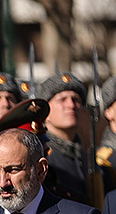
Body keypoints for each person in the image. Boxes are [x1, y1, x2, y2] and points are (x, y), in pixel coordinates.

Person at [35, 73, 95, 204]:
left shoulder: (87, 156)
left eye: (76, 100)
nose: (71, 105)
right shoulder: (41, 154)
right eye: (62, 100)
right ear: (45, 112)